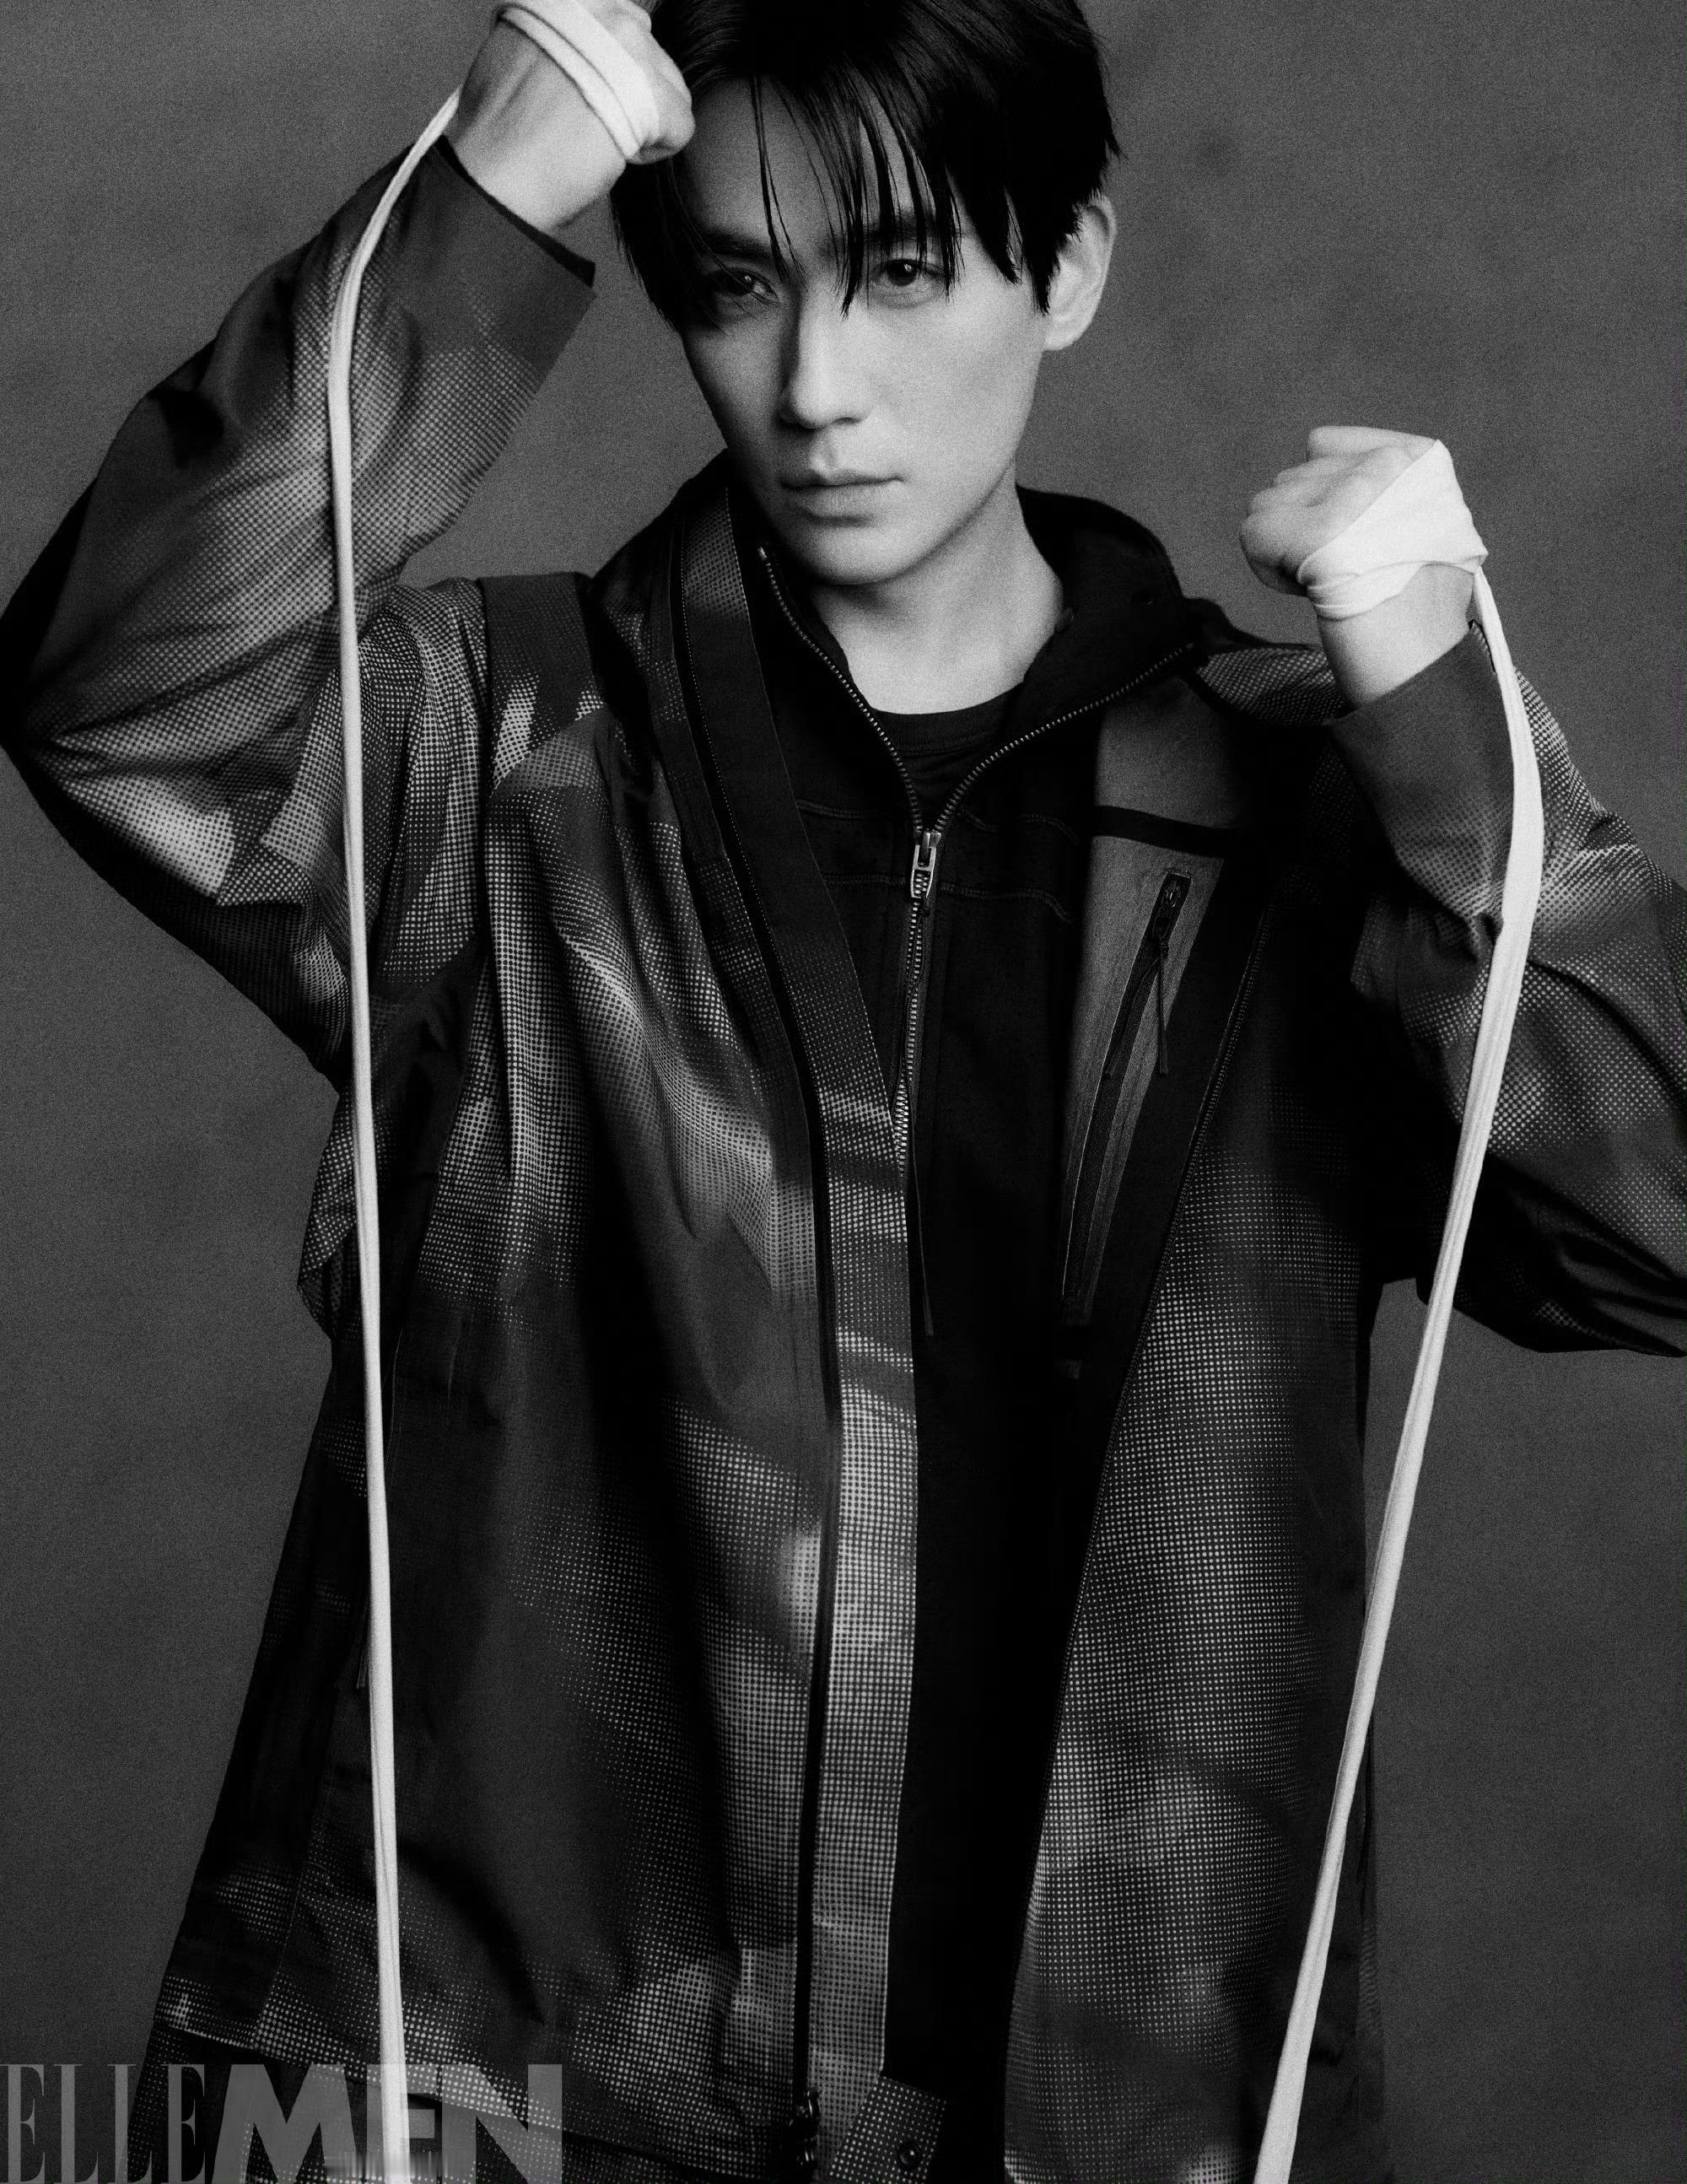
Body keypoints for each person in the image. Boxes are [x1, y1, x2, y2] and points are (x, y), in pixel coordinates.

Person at [3, 0, 1682, 2178]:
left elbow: (1656, 1221)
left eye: (900, 272)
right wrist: (479, 201)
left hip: (1120, 2116)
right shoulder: (505, 763)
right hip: (509, 2103)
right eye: (734, 285)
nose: (815, 386)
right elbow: (130, 698)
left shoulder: (1306, 817)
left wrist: (1450, 729)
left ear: (1068, 264)